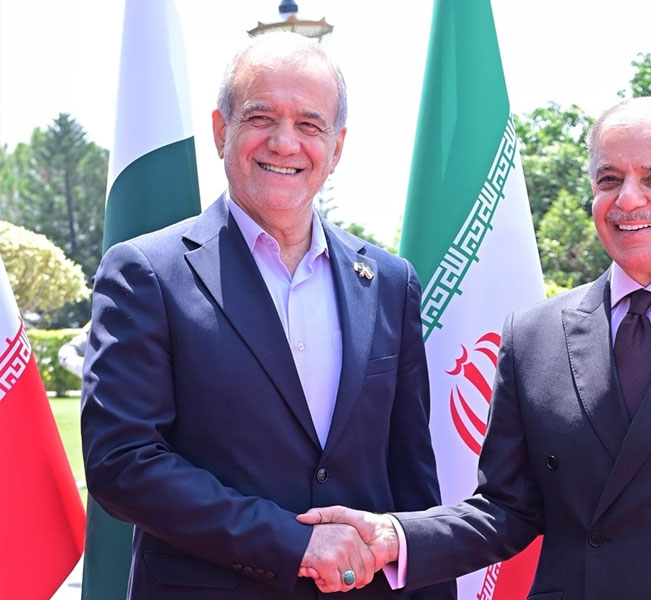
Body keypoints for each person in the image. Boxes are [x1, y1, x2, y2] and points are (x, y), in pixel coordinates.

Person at [298, 97, 651, 599]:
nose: (627, 199)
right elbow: (506, 511)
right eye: (609, 179)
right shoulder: (533, 336)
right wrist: (396, 535)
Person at [81, 32, 454, 600]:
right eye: (261, 118)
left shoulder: (389, 283)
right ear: (220, 131)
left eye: (309, 125)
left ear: (336, 147)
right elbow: (122, 463)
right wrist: (292, 543)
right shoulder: (146, 273)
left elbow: (412, 480)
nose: (284, 143)